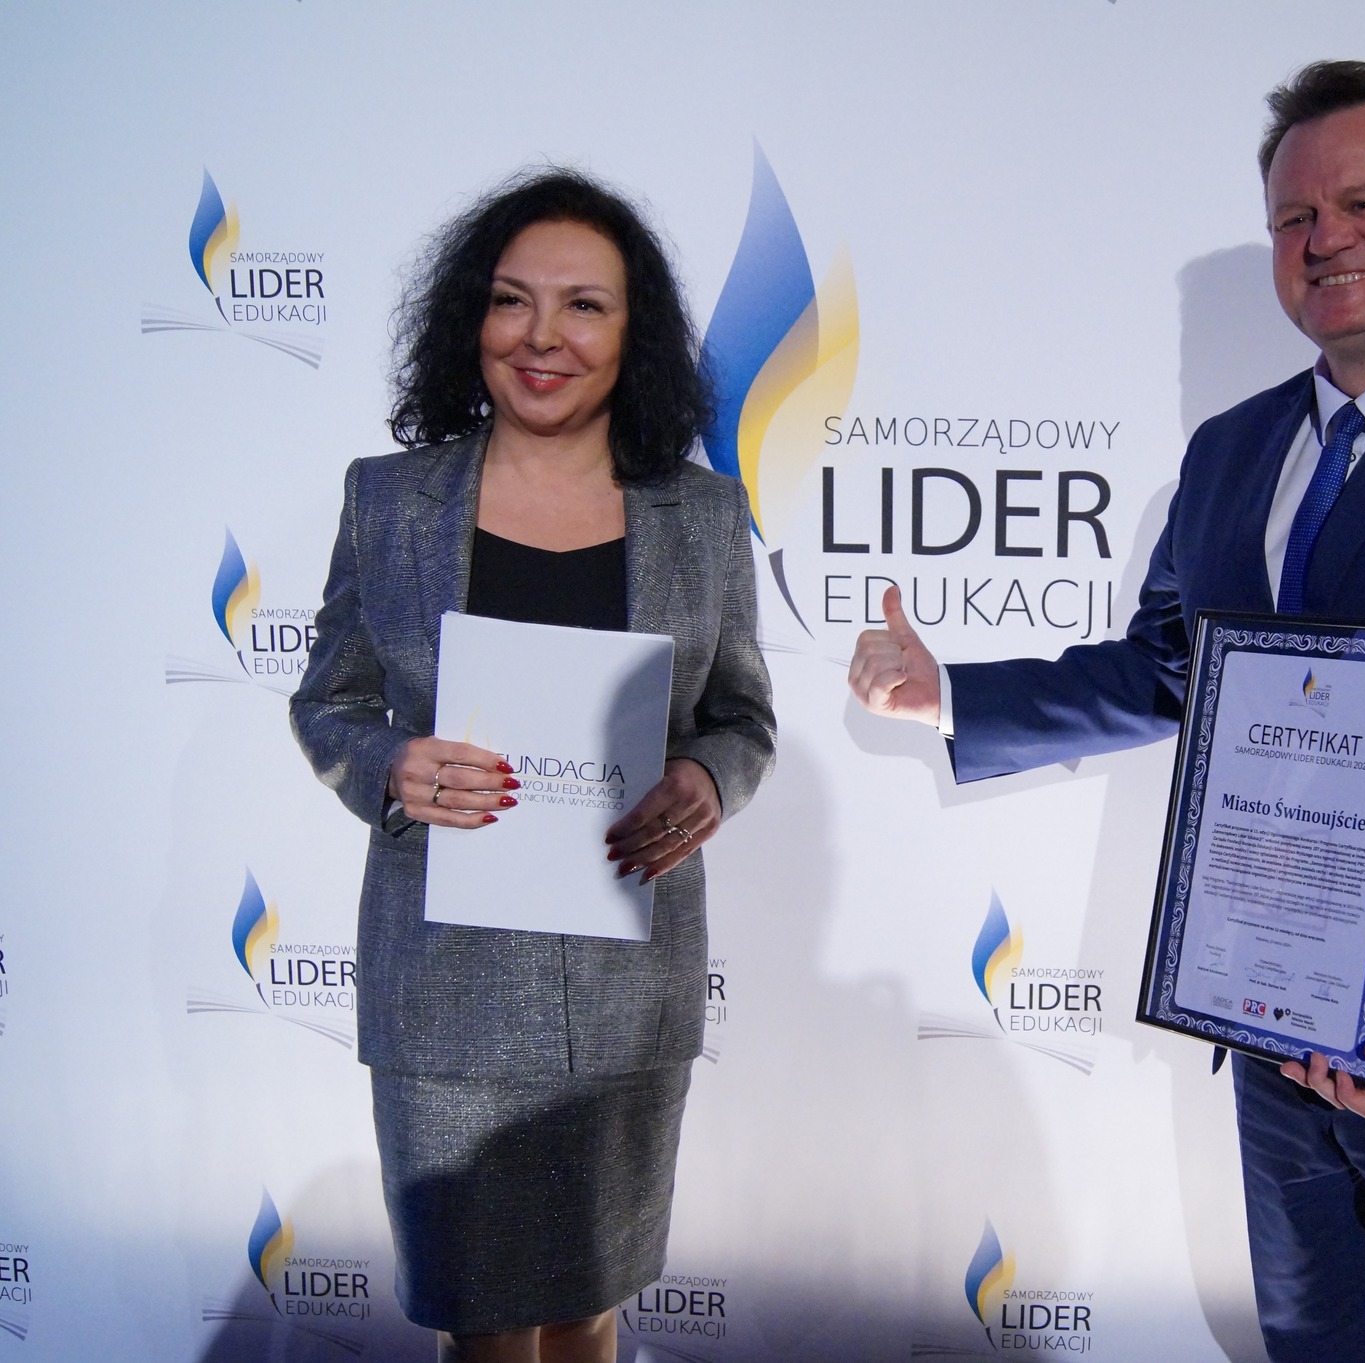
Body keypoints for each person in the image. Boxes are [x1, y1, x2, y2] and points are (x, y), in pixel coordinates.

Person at [849, 62, 1365, 1362]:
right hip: (1272, 1032)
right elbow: (1173, 666)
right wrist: (949, 690)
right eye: (1295, 217)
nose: (1325, 237)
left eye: (1363, 202)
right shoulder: (1232, 450)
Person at [291, 169, 774, 1363]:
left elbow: (741, 718)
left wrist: (708, 781)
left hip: (626, 986)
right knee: (484, 1321)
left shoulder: (704, 517)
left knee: (590, 1307)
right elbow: (328, 703)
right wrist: (389, 765)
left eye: (583, 306)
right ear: (472, 317)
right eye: (511, 300)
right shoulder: (390, 502)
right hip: (445, 988)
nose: (541, 336)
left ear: (632, 332)